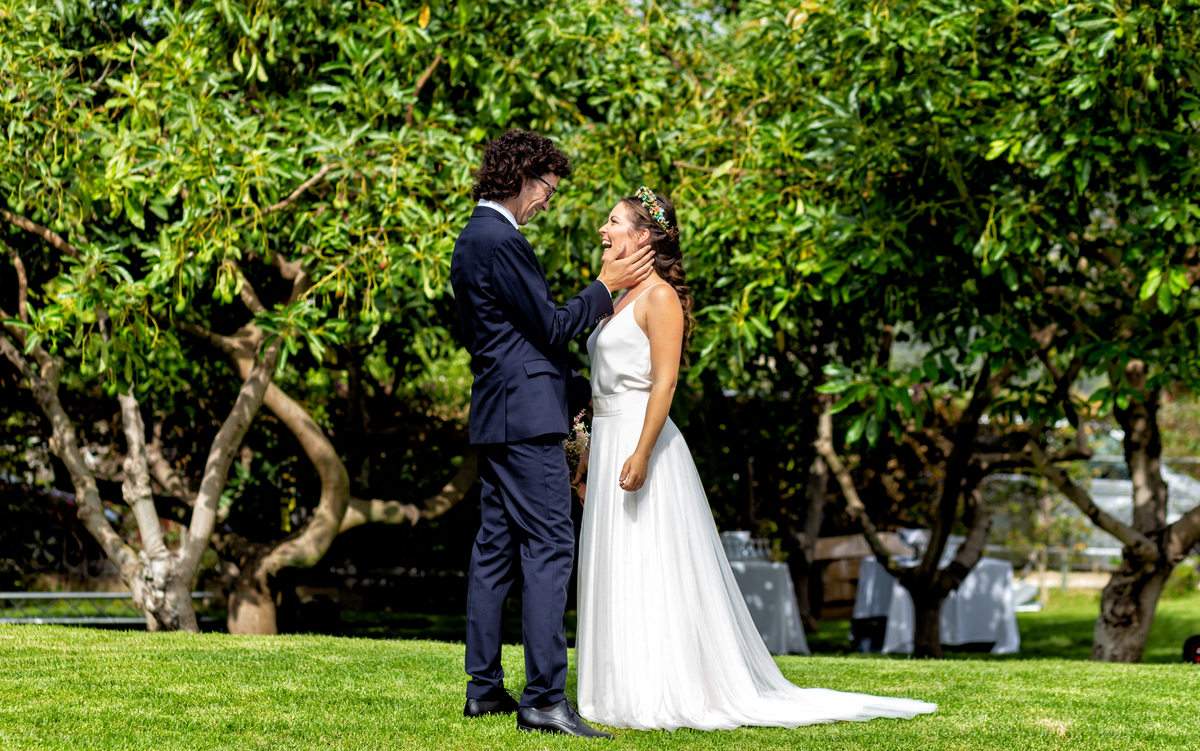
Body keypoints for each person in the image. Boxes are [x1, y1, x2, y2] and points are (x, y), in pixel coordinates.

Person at [574, 187, 938, 732]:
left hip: (640, 442)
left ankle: (659, 686)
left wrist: (642, 450)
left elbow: (666, 382)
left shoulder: (658, 298)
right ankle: (615, 685)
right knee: (615, 564)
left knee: (648, 563)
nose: (602, 231)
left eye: (612, 222)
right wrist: (586, 452)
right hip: (606, 441)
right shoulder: (616, 298)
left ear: (642, 236)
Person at [448, 131, 653, 739]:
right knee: (550, 549)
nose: (546, 203)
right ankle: (543, 699)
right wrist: (607, 284)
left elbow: (511, 337)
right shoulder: (499, 240)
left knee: (493, 550)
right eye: (547, 190)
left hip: (498, 414)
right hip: (525, 420)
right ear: (522, 177)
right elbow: (552, 326)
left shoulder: (472, 239)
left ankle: (484, 690)